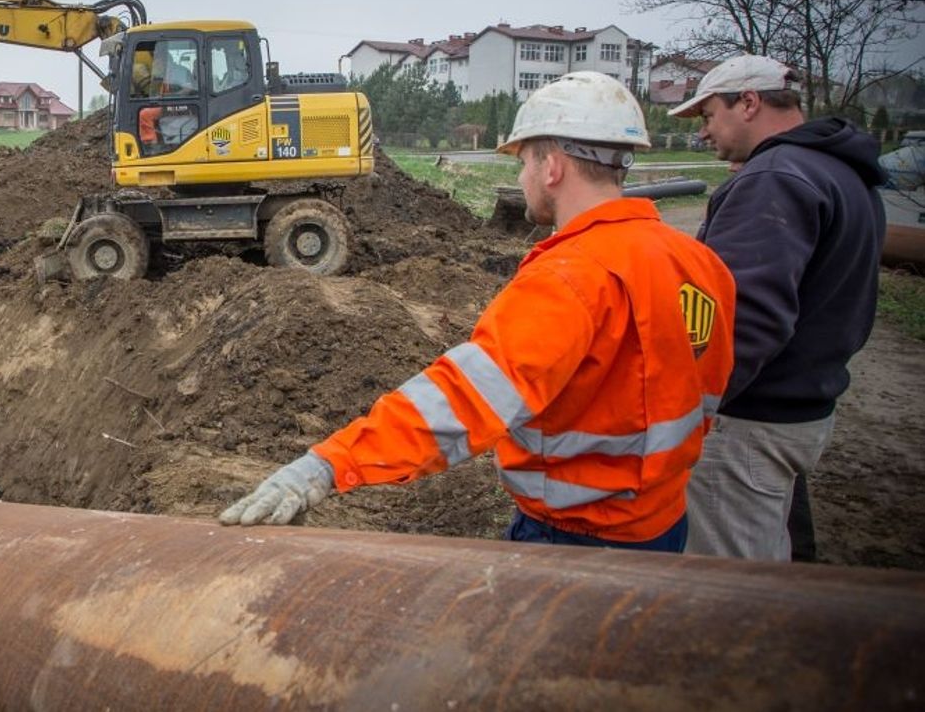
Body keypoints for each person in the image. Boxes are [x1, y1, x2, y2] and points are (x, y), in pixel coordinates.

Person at [219, 72, 736, 552]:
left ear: (551, 166)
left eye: (524, 161)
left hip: (576, 540)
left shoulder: (569, 277)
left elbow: (462, 400)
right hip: (664, 527)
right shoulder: (700, 264)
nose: (524, 174)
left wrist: (329, 465)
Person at [669, 54, 886, 561]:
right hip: (799, 405)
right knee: (776, 551)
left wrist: (687, 412)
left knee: (730, 588)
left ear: (748, 102)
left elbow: (742, 319)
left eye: (707, 116)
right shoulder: (841, 172)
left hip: (749, 420)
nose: (703, 134)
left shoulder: (775, 179)